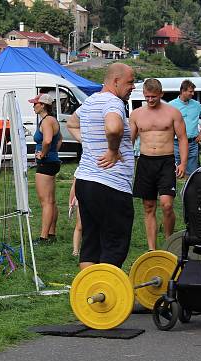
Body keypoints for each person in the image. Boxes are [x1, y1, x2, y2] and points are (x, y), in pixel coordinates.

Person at [66, 63, 136, 269]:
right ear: (116, 81)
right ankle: (108, 294)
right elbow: (114, 128)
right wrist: (113, 150)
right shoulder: (113, 103)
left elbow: (71, 123)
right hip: (110, 185)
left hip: (86, 183)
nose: (133, 87)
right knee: (114, 244)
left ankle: (88, 295)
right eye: (130, 82)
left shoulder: (90, 102)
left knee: (91, 242)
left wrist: (87, 142)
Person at [130, 78, 188, 251]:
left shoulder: (172, 112)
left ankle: (168, 241)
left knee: (167, 205)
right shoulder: (137, 114)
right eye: (147, 96)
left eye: (153, 97)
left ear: (161, 94)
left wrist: (183, 163)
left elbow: (183, 138)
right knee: (149, 206)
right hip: (145, 161)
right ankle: (152, 248)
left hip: (166, 161)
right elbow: (130, 141)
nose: (150, 100)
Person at [30, 93, 61, 244]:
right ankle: (52, 233)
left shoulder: (47, 121)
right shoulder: (52, 120)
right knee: (51, 200)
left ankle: (43, 237)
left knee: (46, 202)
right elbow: (59, 139)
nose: (33, 106)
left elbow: (48, 139)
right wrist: (53, 152)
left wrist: (43, 154)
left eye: (35, 103)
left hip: (46, 163)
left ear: (43, 105)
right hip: (53, 161)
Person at [169, 79, 201, 175]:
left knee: (192, 174)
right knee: (174, 172)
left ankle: (189, 189)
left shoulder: (196, 105)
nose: (193, 94)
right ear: (183, 91)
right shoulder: (171, 105)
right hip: (176, 144)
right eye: (190, 91)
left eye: (193, 91)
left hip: (192, 143)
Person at [68, 180, 82, 257]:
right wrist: (70, 202)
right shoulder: (81, 169)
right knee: (79, 226)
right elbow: (74, 185)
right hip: (83, 198)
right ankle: (75, 250)